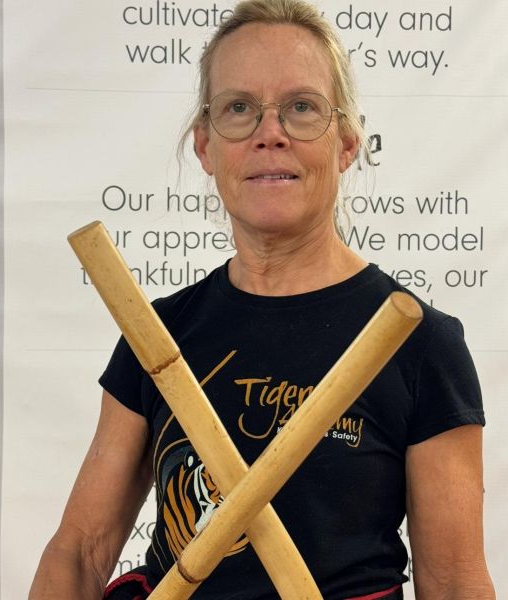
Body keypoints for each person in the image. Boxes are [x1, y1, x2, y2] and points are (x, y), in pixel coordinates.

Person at [29, 1, 496, 598]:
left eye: (301, 107)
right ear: (205, 147)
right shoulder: (157, 333)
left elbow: (453, 581)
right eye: (239, 108)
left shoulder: (419, 343)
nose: (269, 133)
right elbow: (80, 551)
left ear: (347, 142)